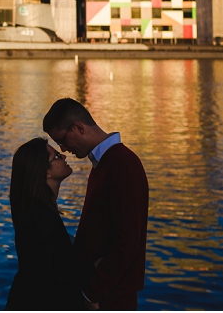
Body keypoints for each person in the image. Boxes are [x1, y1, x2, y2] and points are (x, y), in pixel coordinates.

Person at [43, 98, 149, 311]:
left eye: (62, 140)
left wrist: (91, 293)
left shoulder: (121, 164)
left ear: (79, 128)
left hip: (110, 297)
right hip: (105, 292)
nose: (63, 148)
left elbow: (127, 241)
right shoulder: (106, 163)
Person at [5, 137, 84, 311]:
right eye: (56, 156)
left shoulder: (36, 212)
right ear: (45, 171)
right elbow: (57, 276)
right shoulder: (41, 217)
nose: (64, 157)